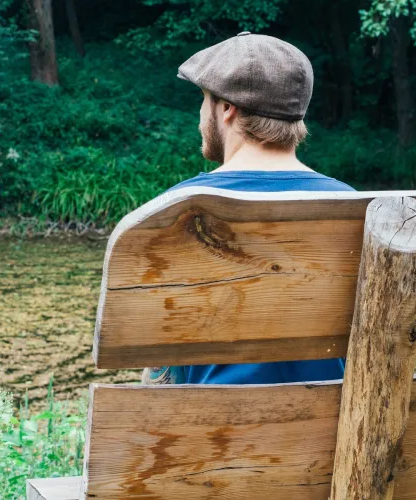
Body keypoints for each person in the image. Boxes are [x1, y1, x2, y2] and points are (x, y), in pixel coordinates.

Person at [143, 32, 353, 385]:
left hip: (212, 434)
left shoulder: (177, 211)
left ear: (226, 109)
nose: (200, 114)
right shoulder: (354, 207)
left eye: (204, 100)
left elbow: (159, 364)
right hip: (329, 436)